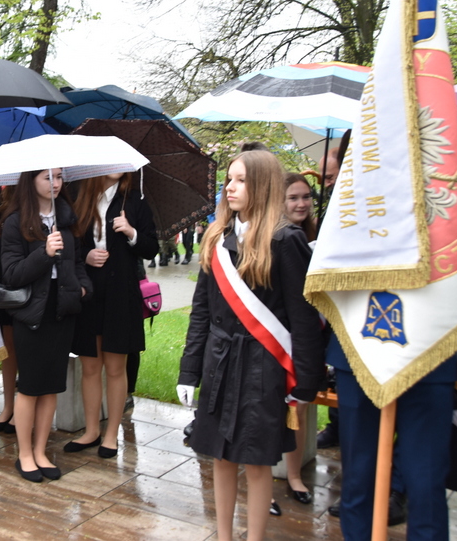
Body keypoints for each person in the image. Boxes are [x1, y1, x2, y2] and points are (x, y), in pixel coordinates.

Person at [177, 150, 324, 541]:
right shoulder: (217, 238)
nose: (230, 186)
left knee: (256, 463)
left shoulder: (285, 240)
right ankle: (224, 535)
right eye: (229, 179)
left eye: (240, 179)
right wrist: (189, 371)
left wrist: (306, 383)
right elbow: (201, 313)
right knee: (220, 458)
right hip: (219, 363)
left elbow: (304, 319)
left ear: (261, 185)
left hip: (263, 368)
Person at [0, 168, 91, 482]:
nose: (55, 183)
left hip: (62, 308)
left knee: (52, 385)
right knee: (30, 386)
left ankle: (41, 450)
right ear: (30, 181)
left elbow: (78, 263)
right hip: (31, 313)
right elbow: (12, 273)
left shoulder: (68, 218)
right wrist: (44, 252)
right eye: (46, 177)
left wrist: (82, 287)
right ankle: (24, 453)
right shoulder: (16, 223)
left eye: (59, 177)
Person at [69, 172, 158, 458]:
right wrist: (86, 256)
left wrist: (131, 232)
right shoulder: (80, 197)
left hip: (121, 294)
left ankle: (111, 435)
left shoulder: (135, 201)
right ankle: (92, 430)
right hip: (90, 293)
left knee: (116, 367)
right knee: (91, 367)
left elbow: (151, 247)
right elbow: (69, 245)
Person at [280, 171, 319, 505]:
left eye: (306, 197)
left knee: (299, 408)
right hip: (277, 332)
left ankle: (294, 475)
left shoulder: (320, 235)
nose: (301, 203)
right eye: (293, 198)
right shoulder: (277, 237)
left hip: (309, 333)